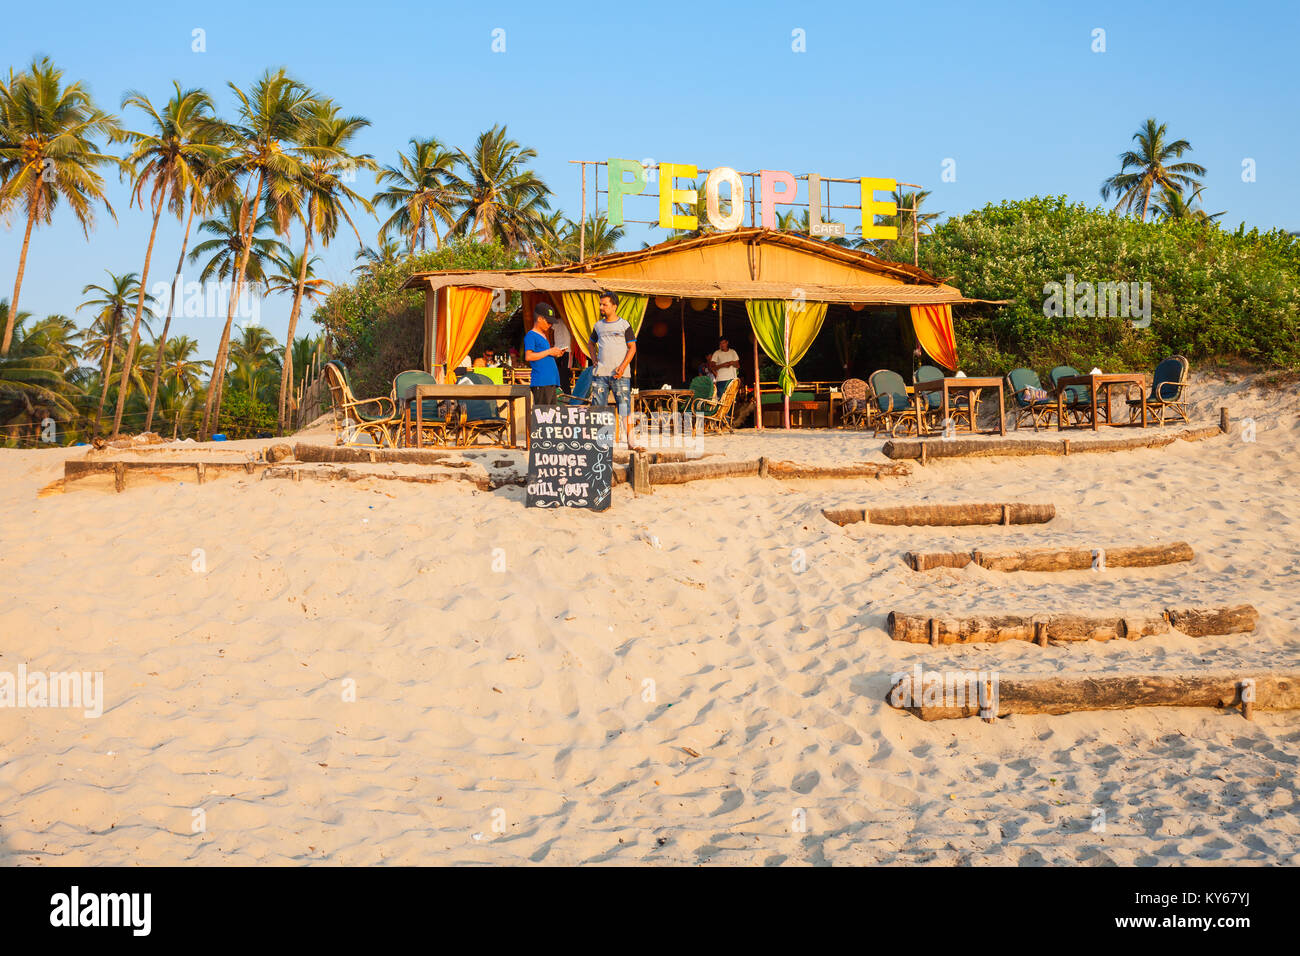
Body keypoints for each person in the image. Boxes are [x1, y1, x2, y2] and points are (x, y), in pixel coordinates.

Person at [588, 290, 637, 444]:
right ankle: (600, 443)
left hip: (620, 375)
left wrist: (622, 367)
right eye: (600, 304)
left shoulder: (624, 325)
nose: (602, 307)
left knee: (624, 409)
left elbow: (633, 348)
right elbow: (591, 343)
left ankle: (631, 442)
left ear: (614, 306)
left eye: (605, 304)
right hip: (600, 374)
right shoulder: (598, 326)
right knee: (598, 410)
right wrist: (594, 359)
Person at [523, 303, 565, 405]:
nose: (550, 325)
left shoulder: (543, 336)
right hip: (541, 381)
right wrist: (549, 351)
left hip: (551, 381)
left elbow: (543, 356)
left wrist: (555, 354)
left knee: (551, 416)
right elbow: (528, 356)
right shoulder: (531, 335)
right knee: (543, 415)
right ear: (540, 319)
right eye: (548, 321)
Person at [550, 311, 572, 390]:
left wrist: (552, 344)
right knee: (565, 371)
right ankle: (566, 391)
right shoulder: (569, 321)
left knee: (557, 371)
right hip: (567, 349)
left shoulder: (557, 322)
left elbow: (551, 333)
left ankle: (559, 388)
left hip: (558, 349)